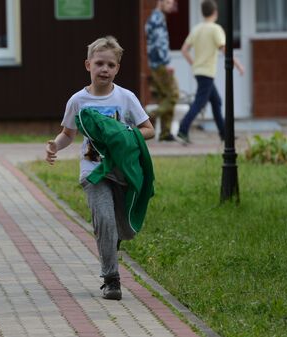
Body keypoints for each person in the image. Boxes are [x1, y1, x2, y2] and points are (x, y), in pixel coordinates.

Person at [45, 36, 155, 300]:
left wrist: (126, 132)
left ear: (117, 68)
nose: (104, 69)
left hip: (123, 171)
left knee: (123, 229)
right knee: (104, 221)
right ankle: (111, 279)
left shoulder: (125, 98)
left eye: (110, 65)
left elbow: (148, 130)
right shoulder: (77, 101)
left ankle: (112, 242)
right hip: (93, 171)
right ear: (88, 65)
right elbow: (68, 134)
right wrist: (54, 146)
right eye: (99, 63)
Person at [177, 0, 244, 144]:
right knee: (199, 103)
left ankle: (225, 134)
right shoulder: (215, 29)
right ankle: (182, 130)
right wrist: (237, 64)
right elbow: (224, 48)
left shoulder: (197, 29)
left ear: (202, 12)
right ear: (215, 12)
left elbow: (184, 50)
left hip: (199, 71)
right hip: (207, 72)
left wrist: (194, 64)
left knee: (216, 101)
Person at [145, 0, 180, 142]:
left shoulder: (151, 18)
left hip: (154, 64)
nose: (171, 5)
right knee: (173, 96)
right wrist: (166, 63)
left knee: (165, 97)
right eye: (168, 2)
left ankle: (165, 133)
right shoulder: (158, 18)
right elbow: (160, 43)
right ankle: (150, 113)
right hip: (160, 64)